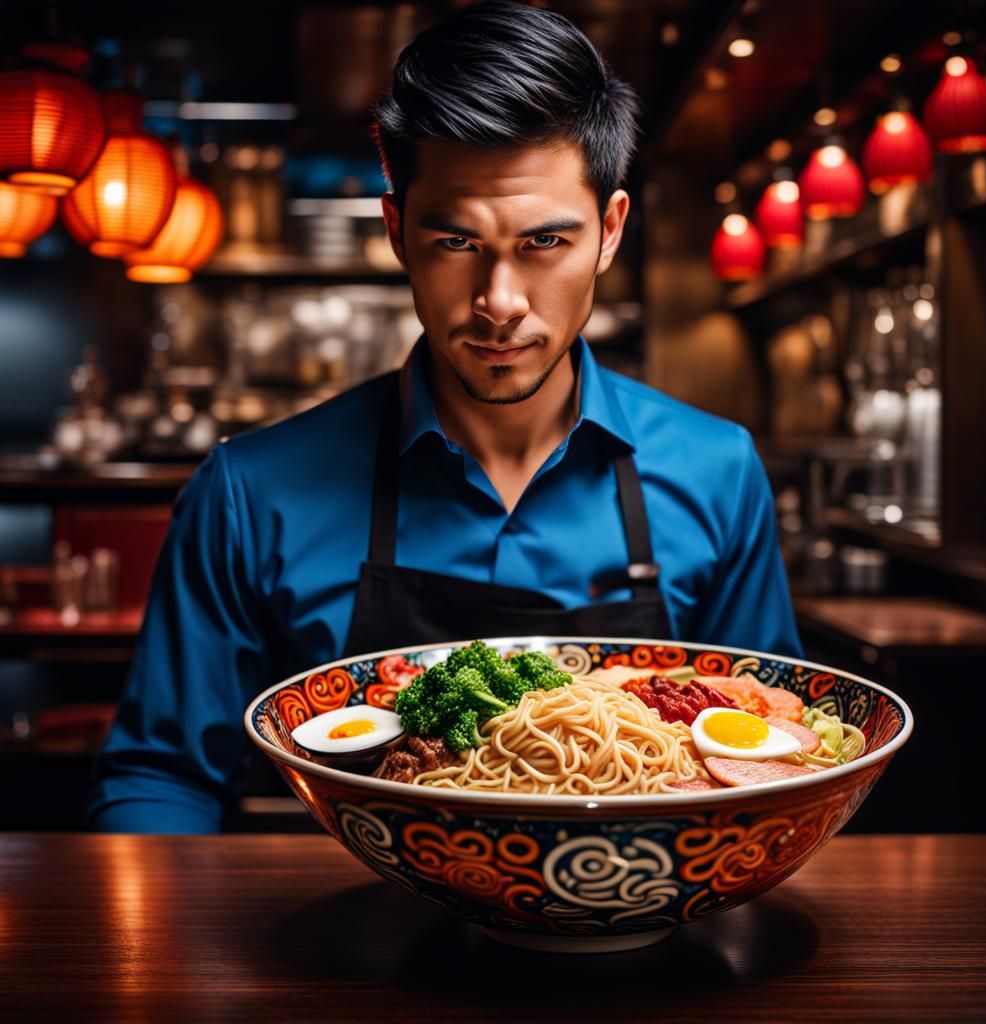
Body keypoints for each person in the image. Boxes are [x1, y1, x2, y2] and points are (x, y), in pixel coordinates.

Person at [87, 0, 802, 833]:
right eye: (457, 243)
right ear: (397, 232)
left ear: (609, 232)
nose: (500, 304)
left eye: (544, 243)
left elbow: (777, 758)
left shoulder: (715, 472)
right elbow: (159, 778)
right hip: (332, 945)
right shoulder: (250, 493)